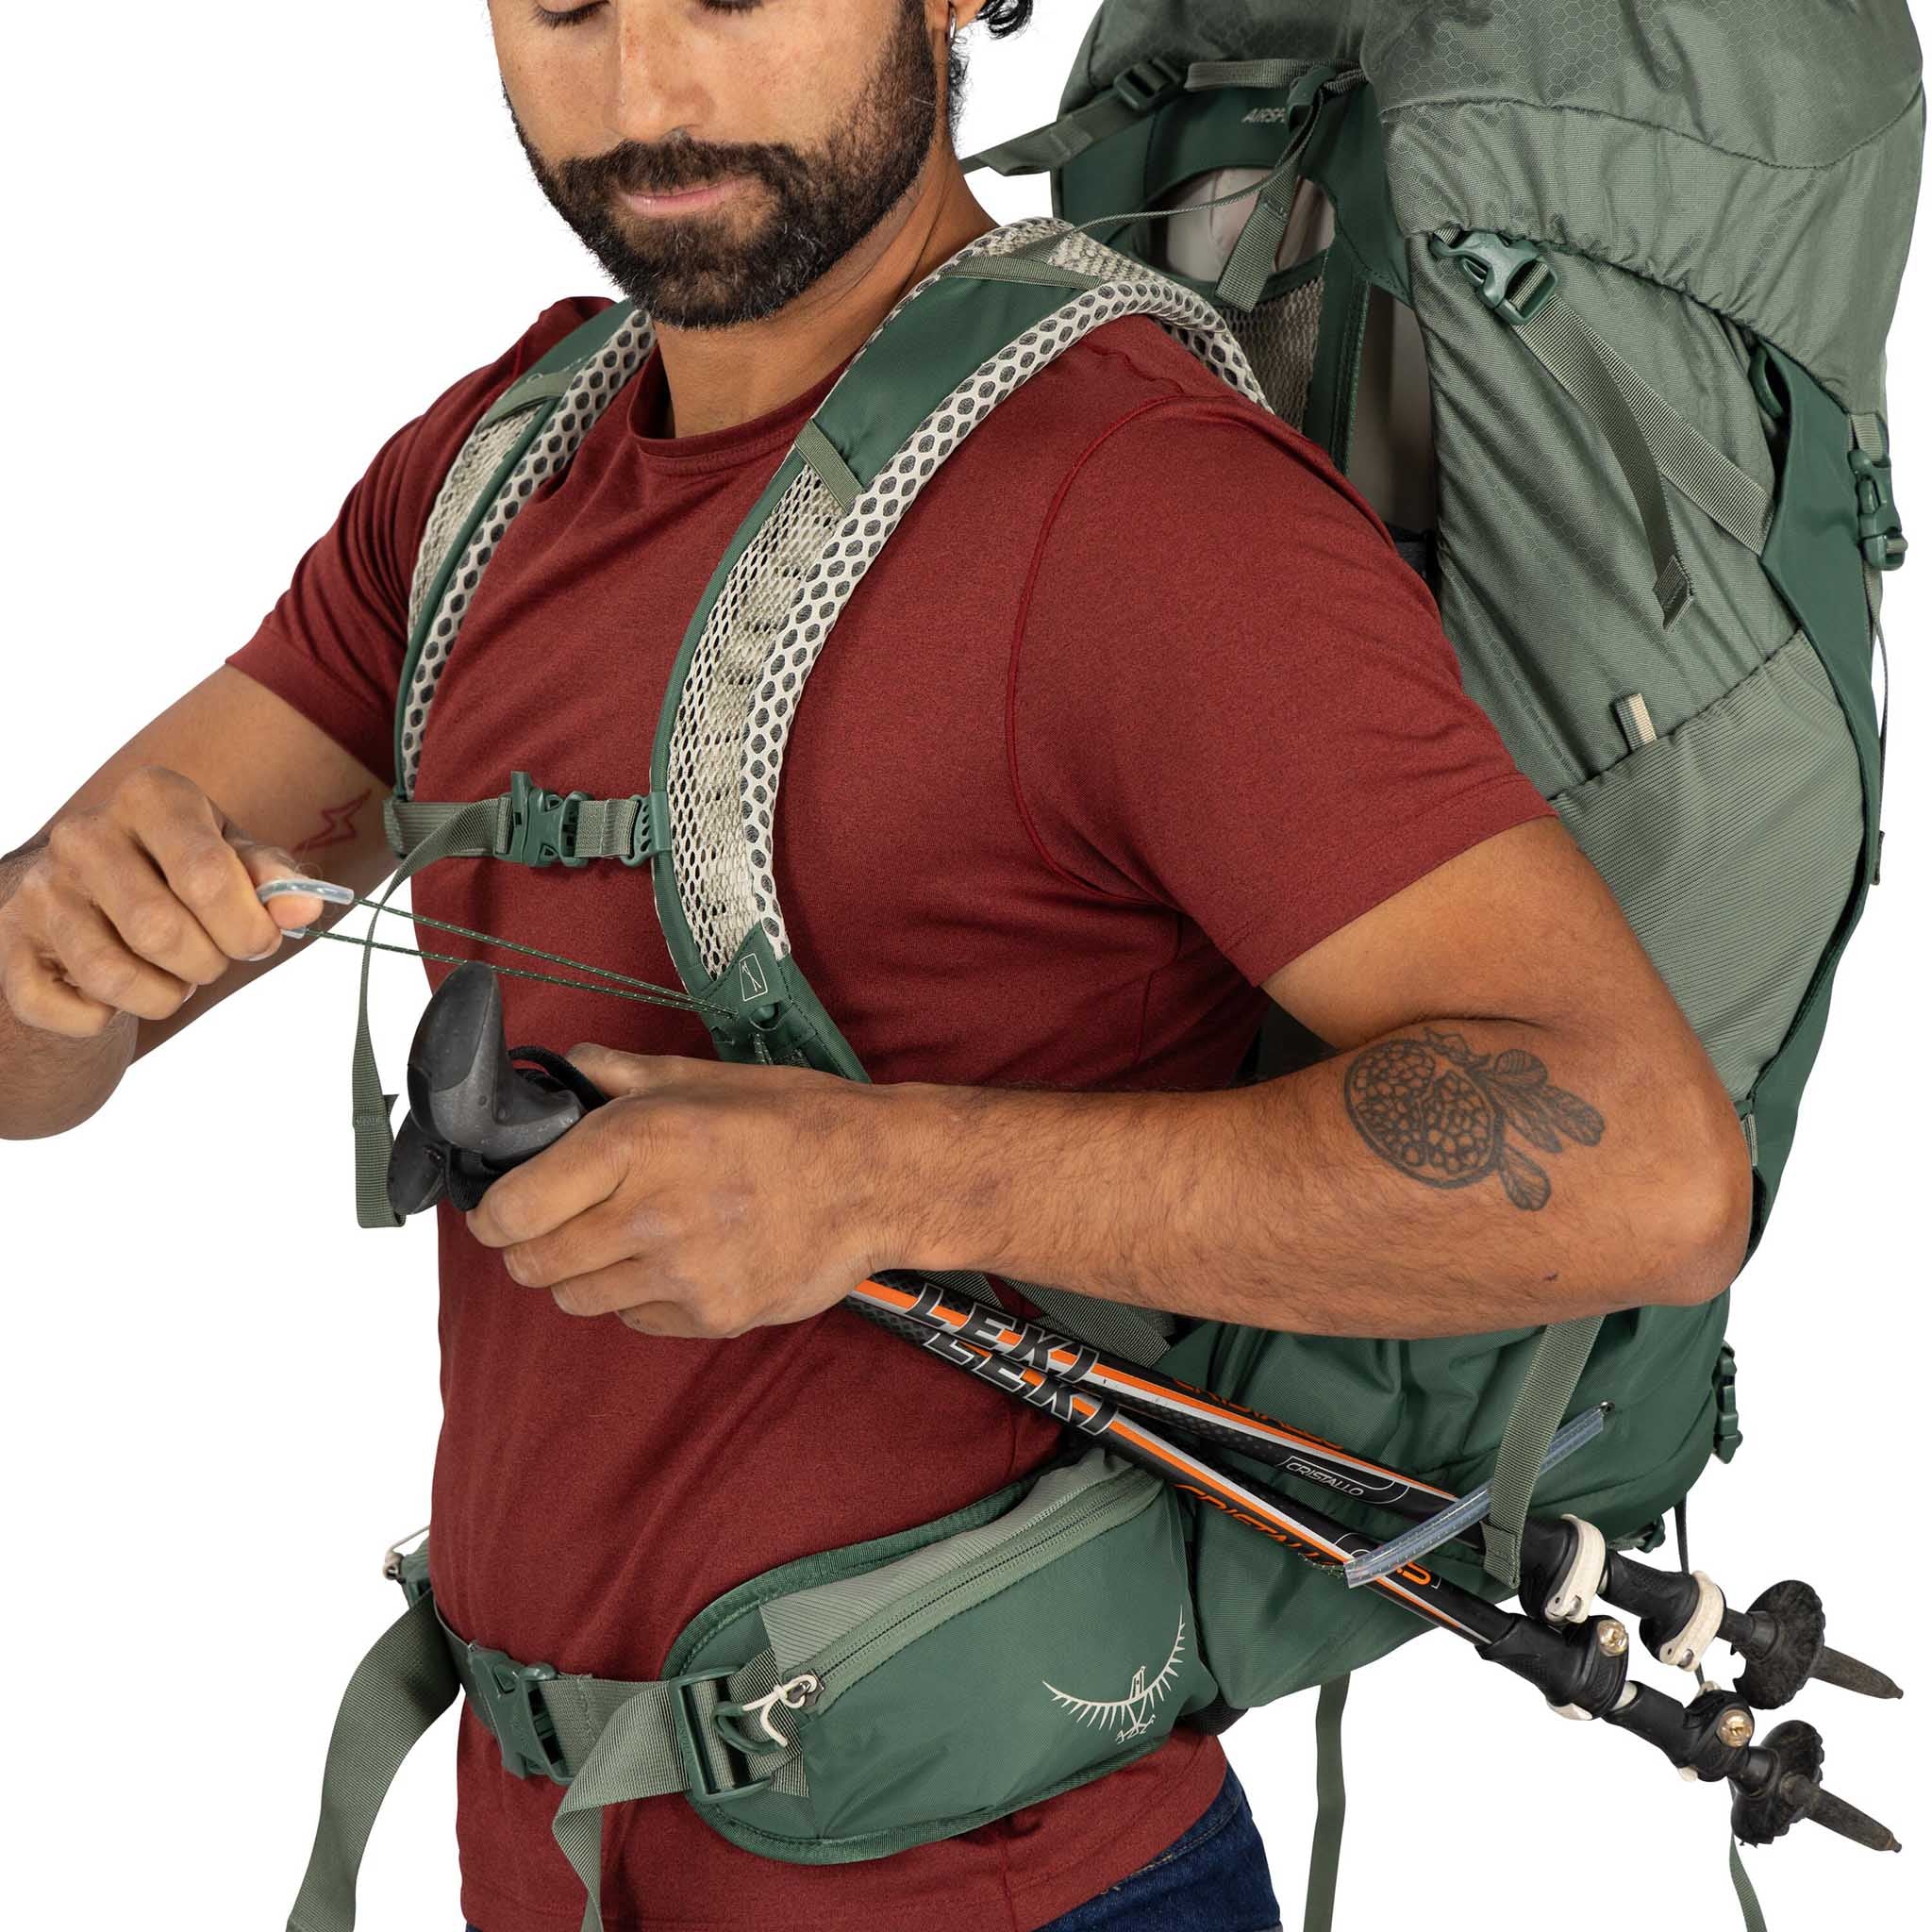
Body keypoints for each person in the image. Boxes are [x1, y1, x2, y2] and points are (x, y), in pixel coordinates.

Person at [0, 4, 1752, 1929]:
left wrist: (879, 1178)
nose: (648, 92)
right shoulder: (492, 468)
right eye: (567, 5)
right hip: (552, 1863)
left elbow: (1650, 1172)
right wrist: (54, 951)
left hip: (1013, 1887)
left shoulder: (1143, 502)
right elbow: (27, 1057)